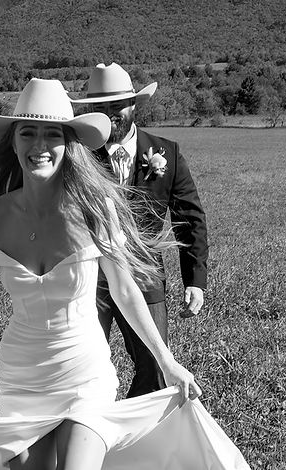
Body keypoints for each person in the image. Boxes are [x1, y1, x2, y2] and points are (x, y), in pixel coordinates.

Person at [0, 78, 248, 470]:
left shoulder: (95, 210)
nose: (40, 146)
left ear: (70, 143)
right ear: (13, 142)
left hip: (86, 374)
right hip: (21, 378)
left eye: (53, 134)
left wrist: (167, 362)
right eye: (28, 133)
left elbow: (125, 291)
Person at [71, 63, 209, 398]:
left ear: (134, 106)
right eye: (100, 109)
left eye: (116, 106)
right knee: (86, 370)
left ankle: (135, 441)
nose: (109, 115)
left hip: (145, 275)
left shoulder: (168, 154)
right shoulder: (78, 155)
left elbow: (189, 217)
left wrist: (195, 280)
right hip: (88, 278)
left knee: (157, 371)